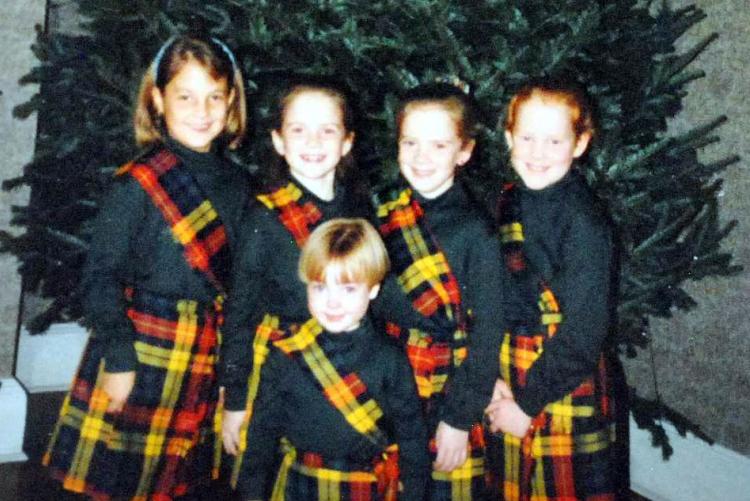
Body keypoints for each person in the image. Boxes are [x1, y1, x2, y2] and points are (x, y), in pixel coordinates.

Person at [42, 34, 250, 500]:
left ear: (231, 100)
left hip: (204, 351)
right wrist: (118, 357)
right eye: (185, 96)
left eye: (214, 96)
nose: (202, 110)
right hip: (140, 348)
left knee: (179, 480)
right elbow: (100, 277)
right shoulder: (138, 182)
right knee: (120, 482)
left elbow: (241, 286)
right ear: (158, 99)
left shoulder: (240, 185)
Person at [219, 77, 370, 489]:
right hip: (277, 368)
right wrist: (234, 400)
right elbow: (239, 312)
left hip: (346, 359)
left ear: (347, 142)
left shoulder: (359, 209)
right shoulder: (263, 218)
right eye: (298, 130)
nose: (313, 141)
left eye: (328, 130)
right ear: (279, 141)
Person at [371, 82, 509, 500]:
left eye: (438, 145)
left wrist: (460, 419)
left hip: (447, 387)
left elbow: (487, 336)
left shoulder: (476, 232)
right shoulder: (382, 209)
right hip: (387, 374)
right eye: (410, 142)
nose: (420, 157)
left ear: (464, 152)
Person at [484, 79, 617, 500]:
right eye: (527, 137)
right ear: (508, 137)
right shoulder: (507, 200)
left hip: (559, 383)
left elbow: (584, 332)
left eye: (554, 140)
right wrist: (490, 374)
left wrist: (526, 404)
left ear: (579, 144)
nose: (538, 153)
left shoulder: (585, 225)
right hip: (507, 373)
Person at [237, 218, 430, 500]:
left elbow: (412, 436)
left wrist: (413, 493)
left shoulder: (390, 358)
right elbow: (261, 440)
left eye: (348, 288)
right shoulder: (286, 355)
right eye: (320, 287)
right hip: (300, 485)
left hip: (365, 487)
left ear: (374, 289)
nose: (332, 302)